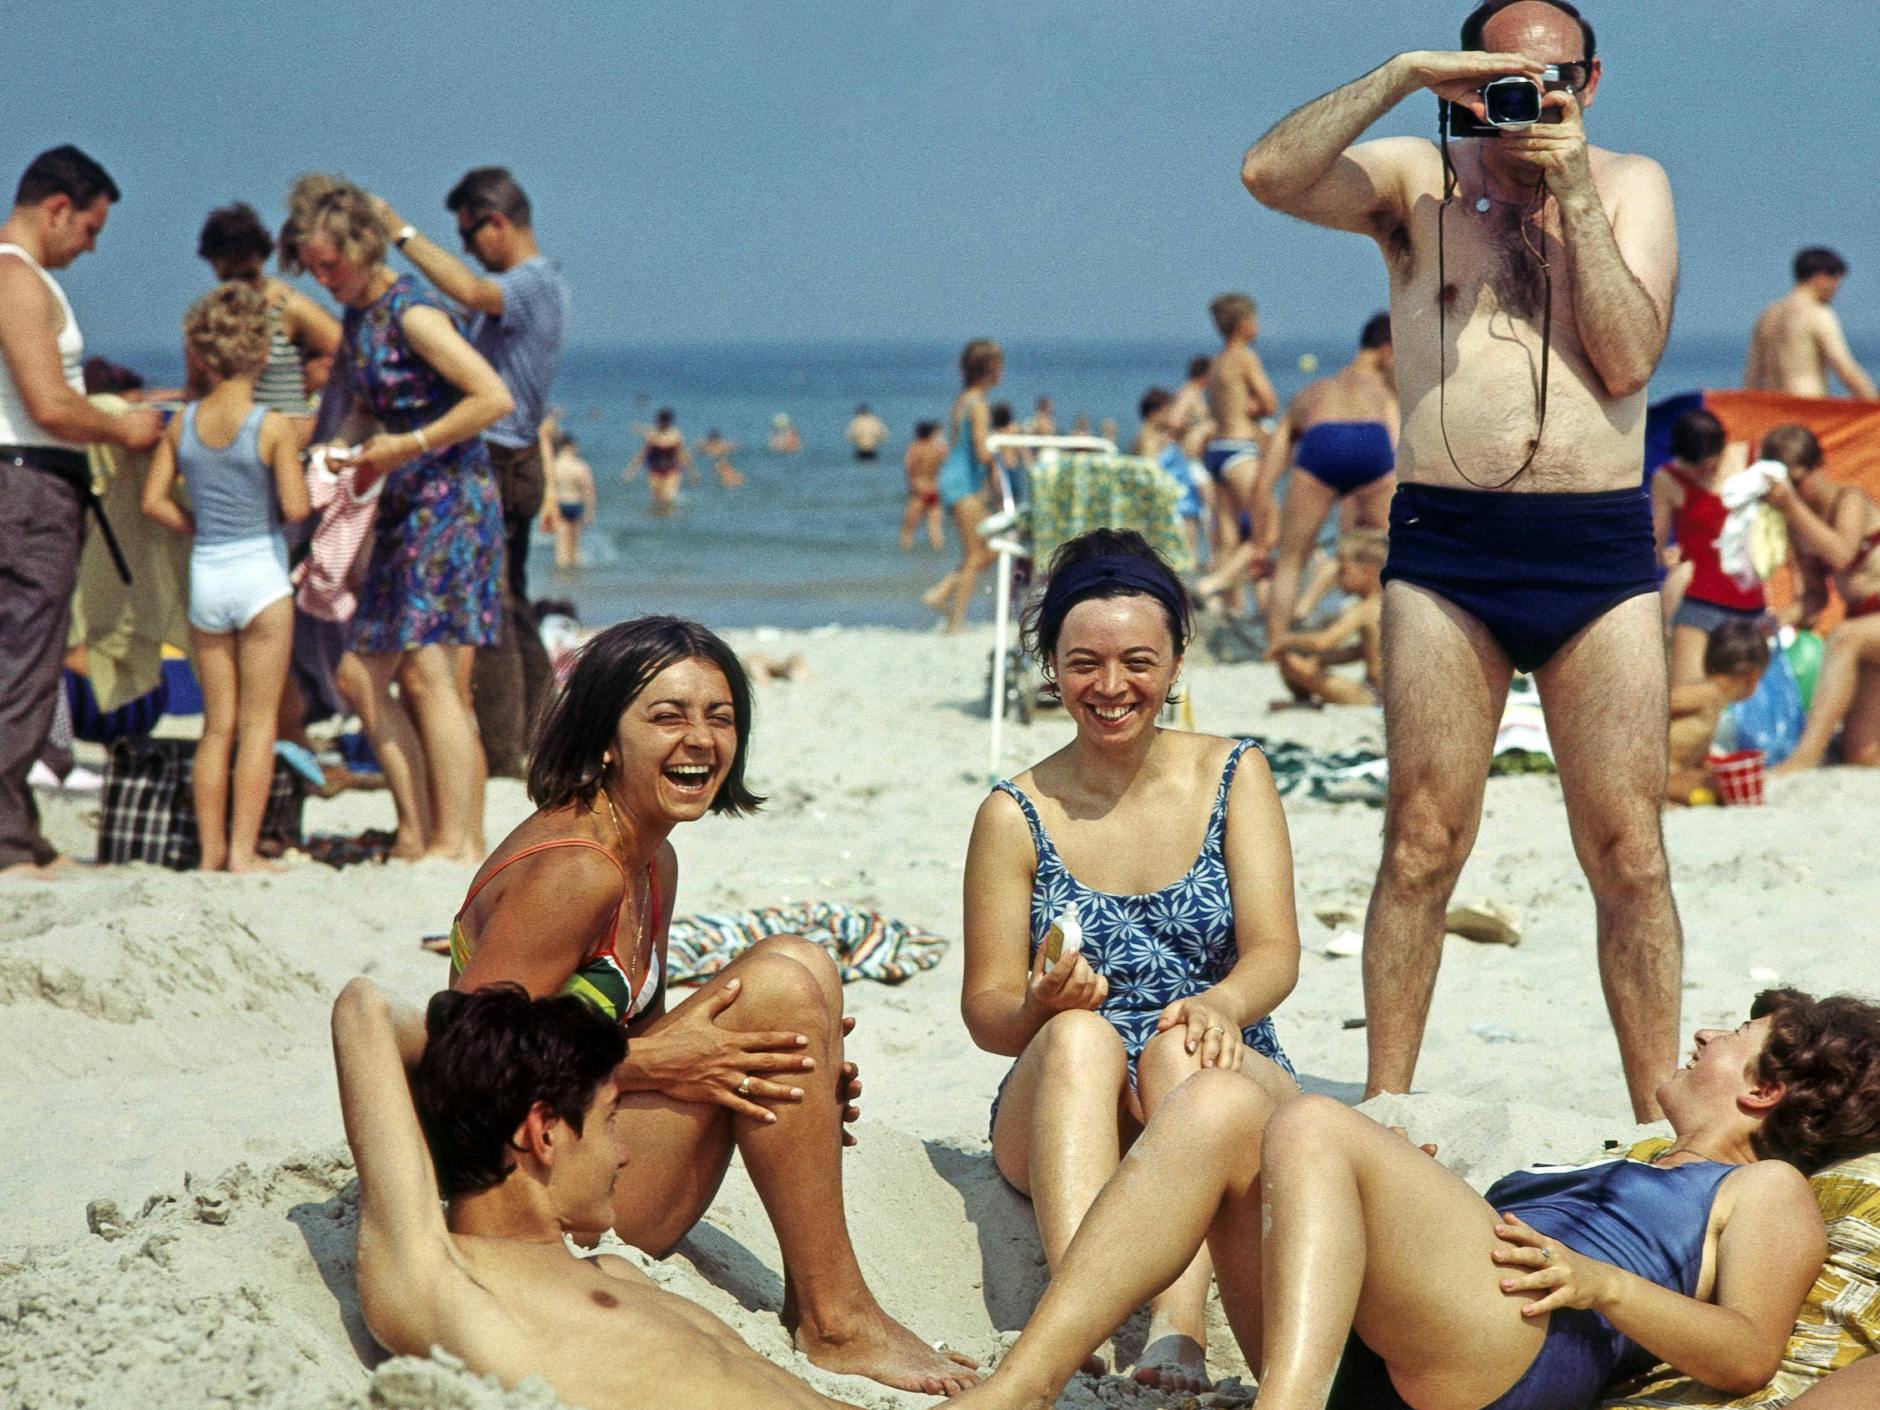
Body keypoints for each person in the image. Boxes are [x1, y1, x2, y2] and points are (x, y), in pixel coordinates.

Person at [1242, 0, 1685, 1120]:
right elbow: (1267, 174)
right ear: (1466, 79)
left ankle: (1655, 1115)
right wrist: (1401, 72)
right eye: (1499, 82)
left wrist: (1573, 193)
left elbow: (1629, 361)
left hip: (1595, 548)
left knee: (1628, 851)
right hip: (1447, 549)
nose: (1526, 105)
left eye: (1551, 80)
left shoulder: (1630, 184)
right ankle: (1388, 1103)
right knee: (1421, 841)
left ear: (1591, 81)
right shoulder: (1418, 181)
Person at [447, 616, 978, 1396]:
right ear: (605, 738)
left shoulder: (650, 857)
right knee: (780, 991)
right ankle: (835, 1320)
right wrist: (655, 1060)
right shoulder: (577, 870)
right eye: (667, 716)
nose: (699, 739)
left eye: (719, 717)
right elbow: (460, 1060)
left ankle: (832, 1305)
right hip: (518, 1200)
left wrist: (801, 1079)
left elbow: (619, 1032)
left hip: (589, 1154)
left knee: (802, 970)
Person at [950, 988, 1880, 1410]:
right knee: (1218, 1102)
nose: (1707, 1033)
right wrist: (1395, 1187)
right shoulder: (1620, 1162)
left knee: (1314, 1124)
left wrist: (1607, 1286)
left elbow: (1749, 1354)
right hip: (1386, 1346)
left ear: (1764, 1089)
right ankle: (1027, 1383)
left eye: (1737, 1032)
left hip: (1523, 1353)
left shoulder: (1763, 1189)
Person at [961, 530, 1300, 1395]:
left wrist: (1224, 1003)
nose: (1111, 687)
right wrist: (1039, 1006)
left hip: (1214, 1075)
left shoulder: (1235, 773)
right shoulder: (1014, 813)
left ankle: (1178, 1329)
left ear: (1177, 661)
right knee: (1081, 1036)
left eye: (1137, 662)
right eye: (1084, 664)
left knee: (1180, 1042)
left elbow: (1275, 953)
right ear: (1051, 666)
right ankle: (1081, 1318)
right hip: (1065, 1106)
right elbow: (986, 1014)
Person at [332, 978, 920, 1410]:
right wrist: (498, 1054)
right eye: (611, 1120)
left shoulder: (618, 1271)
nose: (623, 1154)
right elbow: (365, 1011)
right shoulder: (445, 1281)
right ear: (542, 1133)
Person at [280, 173, 513, 863]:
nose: (323, 280)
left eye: (330, 264)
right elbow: (368, 405)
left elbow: (492, 398)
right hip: (402, 503)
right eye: (312, 268)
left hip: (449, 503)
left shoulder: (412, 312)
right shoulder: (361, 316)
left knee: (431, 676)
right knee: (361, 674)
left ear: (362, 247)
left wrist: (406, 445)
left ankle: (456, 841)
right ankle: (422, 830)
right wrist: (340, 447)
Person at [0, 145, 163, 877]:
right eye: (91, 228)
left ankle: (19, 829)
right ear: (58, 208)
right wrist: (125, 428)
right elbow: (49, 405)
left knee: (26, 659)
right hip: (29, 485)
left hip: (28, 482)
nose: (91, 247)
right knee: (23, 662)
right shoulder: (16, 275)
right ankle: (6, 841)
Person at [375, 168, 570, 781]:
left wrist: (398, 231)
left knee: (490, 615)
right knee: (511, 607)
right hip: (515, 458)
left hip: (500, 458)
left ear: (498, 223)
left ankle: (508, 750)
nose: (465, 248)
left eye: (468, 235)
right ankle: (541, 736)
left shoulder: (530, 285)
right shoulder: (541, 287)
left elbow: (470, 289)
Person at [139, 283, 310, 871]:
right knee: (258, 727)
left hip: (208, 574)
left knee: (216, 728)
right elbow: (295, 507)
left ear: (203, 355)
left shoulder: (182, 423)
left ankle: (211, 853)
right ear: (262, 354)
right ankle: (243, 852)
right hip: (260, 575)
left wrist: (195, 524)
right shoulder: (271, 425)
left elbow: (153, 501)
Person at [1764, 424, 1880, 774]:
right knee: (1861, 755)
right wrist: (1775, 620)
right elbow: (1815, 598)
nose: (1791, 492)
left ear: (1819, 468)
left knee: (1843, 638)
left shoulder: (1849, 499)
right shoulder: (1797, 523)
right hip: (1868, 626)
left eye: (1797, 482)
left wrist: (1791, 508)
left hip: (1864, 628)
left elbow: (1842, 554)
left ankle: (1805, 757)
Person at [1651, 408, 1767, 687]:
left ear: (1723, 446)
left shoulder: (1752, 458)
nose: (1706, 471)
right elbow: (1655, 545)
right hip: (1700, 601)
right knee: (1686, 695)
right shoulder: (1668, 479)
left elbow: (1782, 526)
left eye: (1711, 463)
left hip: (1751, 605)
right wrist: (1667, 558)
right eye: (1697, 466)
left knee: (1743, 699)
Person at [194, 201, 341, 423]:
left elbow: (351, 354)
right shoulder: (209, 317)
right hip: (229, 434)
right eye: (229, 279)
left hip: (284, 433)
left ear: (261, 258)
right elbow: (196, 387)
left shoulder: (289, 307)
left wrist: (314, 387)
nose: (241, 288)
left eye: (248, 277)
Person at [923, 339, 1002, 633]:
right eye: (1000, 364)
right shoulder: (978, 404)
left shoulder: (964, 399)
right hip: (962, 485)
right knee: (978, 554)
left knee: (988, 550)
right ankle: (955, 620)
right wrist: (1001, 454)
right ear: (990, 367)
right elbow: (981, 452)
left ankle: (943, 594)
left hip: (956, 482)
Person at [1202, 292, 1280, 574]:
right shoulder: (1245, 357)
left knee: (1228, 537)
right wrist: (1257, 408)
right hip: (1240, 449)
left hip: (1217, 450)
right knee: (1269, 529)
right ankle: (1213, 584)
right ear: (1243, 325)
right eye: (1254, 320)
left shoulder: (1217, 361)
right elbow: (1270, 403)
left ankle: (1221, 596)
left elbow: (1217, 406)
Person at [1272, 529, 1388, 709]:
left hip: (1372, 696)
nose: (1337, 578)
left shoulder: (1365, 608)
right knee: (1302, 662)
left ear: (1367, 572)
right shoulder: (1385, 604)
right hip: (1383, 692)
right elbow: (1359, 651)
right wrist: (1323, 660)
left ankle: (1304, 701)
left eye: (1343, 571)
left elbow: (1322, 642)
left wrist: (1285, 639)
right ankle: (1306, 700)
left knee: (1289, 663)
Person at [1745, 248, 1877, 400]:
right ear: (1821, 277)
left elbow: (1752, 377)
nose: (1836, 290)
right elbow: (1844, 367)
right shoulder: (1817, 313)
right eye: (1836, 282)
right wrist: (1872, 399)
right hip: (1807, 404)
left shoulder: (1768, 314)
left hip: (1774, 407)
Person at [1667, 621, 1769, 804]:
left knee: (1717, 783)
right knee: (1712, 788)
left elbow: (1696, 750)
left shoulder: (1716, 699)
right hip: (1656, 774)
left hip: (1674, 773)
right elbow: (1662, 703)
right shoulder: (1707, 693)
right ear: (1754, 677)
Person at [542, 433, 596, 570]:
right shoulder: (580, 466)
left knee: (561, 544)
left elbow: (546, 488)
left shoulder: (553, 465)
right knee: (575, 545)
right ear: (571, 447)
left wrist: (545, 509)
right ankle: (575, 576)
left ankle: (562, 576)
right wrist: (590, 512)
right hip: (576, 504)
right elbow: (589, 490)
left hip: (559, 504)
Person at [625, 408, 694, 514]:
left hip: (672, 468)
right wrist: (631, 471)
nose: (663, 423)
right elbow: (643, 454)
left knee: (668, 496)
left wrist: (692, 472)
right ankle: (657, 518)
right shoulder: (652, 434)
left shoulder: (675, 434)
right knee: (657, 497)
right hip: (655, 468)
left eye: (665, 421)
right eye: (661, 421)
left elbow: (682, 454)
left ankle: (669, 517)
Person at [899, 420, 946, 551]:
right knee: (935, 528)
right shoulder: (938, 449)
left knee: (908, 529)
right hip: (934, 488)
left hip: (919, 490)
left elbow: (909, 468)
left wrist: (911, 485)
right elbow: (947, 462)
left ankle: (905, 555)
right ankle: (938, 555)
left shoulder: (915, 448)